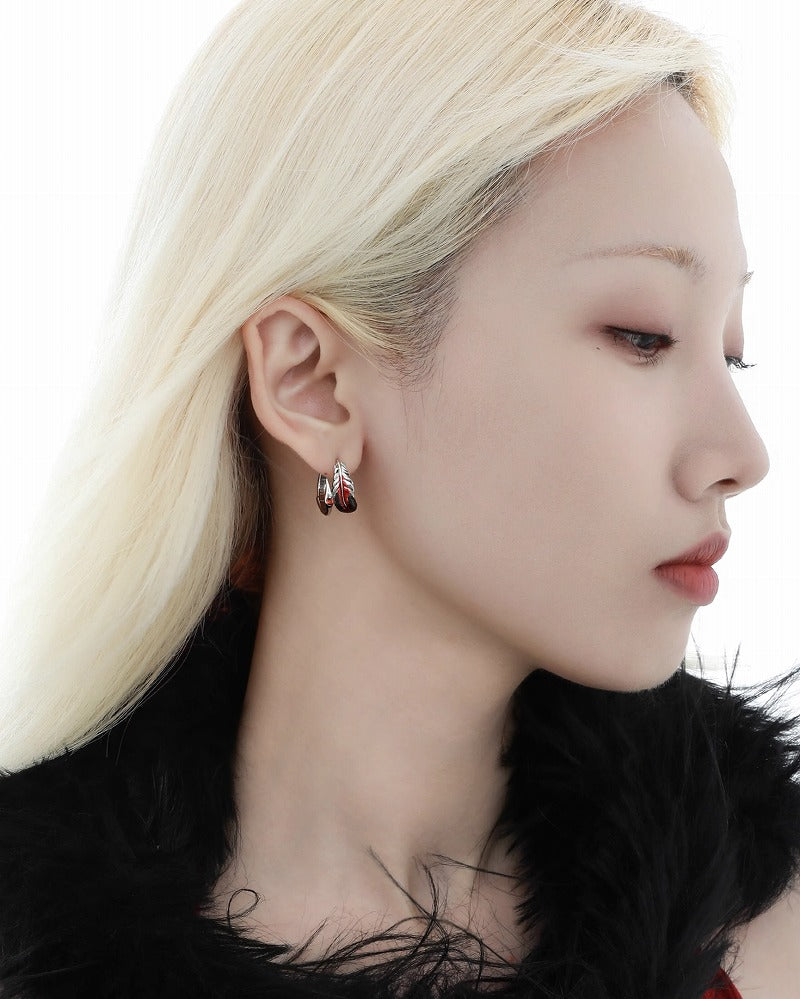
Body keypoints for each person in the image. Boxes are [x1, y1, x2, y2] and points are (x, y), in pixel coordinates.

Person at [1, 1, 799, 997]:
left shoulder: (771, 937)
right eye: (643, 336)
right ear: (312, 384)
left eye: (732, 350)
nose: (741, 455)